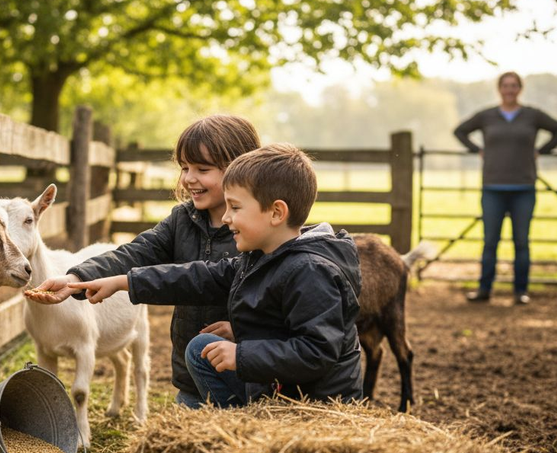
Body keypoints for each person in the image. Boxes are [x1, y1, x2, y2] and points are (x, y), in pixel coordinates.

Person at [67, 144, 363, 407]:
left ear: (275, 213)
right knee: (200, 350)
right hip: (276, 386)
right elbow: (198, 277)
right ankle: (234, 418)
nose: (226, 217)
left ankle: (238, 418)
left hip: (314, 402)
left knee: (212, 353)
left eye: (235, 207)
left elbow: (317, 352)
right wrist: (122, 282)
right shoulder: (261, 256)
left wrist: (241, 355)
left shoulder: (311, 270)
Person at [25, 115, 260, 407]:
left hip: (247, 375)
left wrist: (244, 331)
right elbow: (135, 253)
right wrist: (76, 279)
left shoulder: (257, 231)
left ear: (239, 167)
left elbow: (276, 302)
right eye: (185, 168)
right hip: (190, 380)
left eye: (202, 168)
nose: (188, 178)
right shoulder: (182, 221)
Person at [453, 71, 557, 305]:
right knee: (490, 241)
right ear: (499, 88)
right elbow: (460, 131)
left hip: (523, 187)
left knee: (522, 242)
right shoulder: (487, 116)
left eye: (514, 85)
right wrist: (477, 150)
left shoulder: (532, 115)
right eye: (505, 85)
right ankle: (484, 289)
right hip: (493, 187)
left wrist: (541, 151)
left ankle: (520, 291)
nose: (509, 89)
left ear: (520, 89)